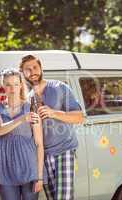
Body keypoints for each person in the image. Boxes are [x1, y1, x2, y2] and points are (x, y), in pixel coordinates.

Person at [19, 55, 84, 200]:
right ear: (23, 73)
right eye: (27, 69)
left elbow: (79, 117)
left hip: (64, 149)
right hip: (43, 156)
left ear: (41, 68)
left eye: (35, 67)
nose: (32, 71)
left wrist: (53, 113)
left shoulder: (59, 87)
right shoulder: (28, 99)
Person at [0, 68, 44, 200]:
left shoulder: (31, 108)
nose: (12, 89)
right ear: (3, 86)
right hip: (5, 167)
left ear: (20, 85)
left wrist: (40, 177)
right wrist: (22, 119)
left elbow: (39, 144)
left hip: (29, 166)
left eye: (15, 84)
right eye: (8, 85)